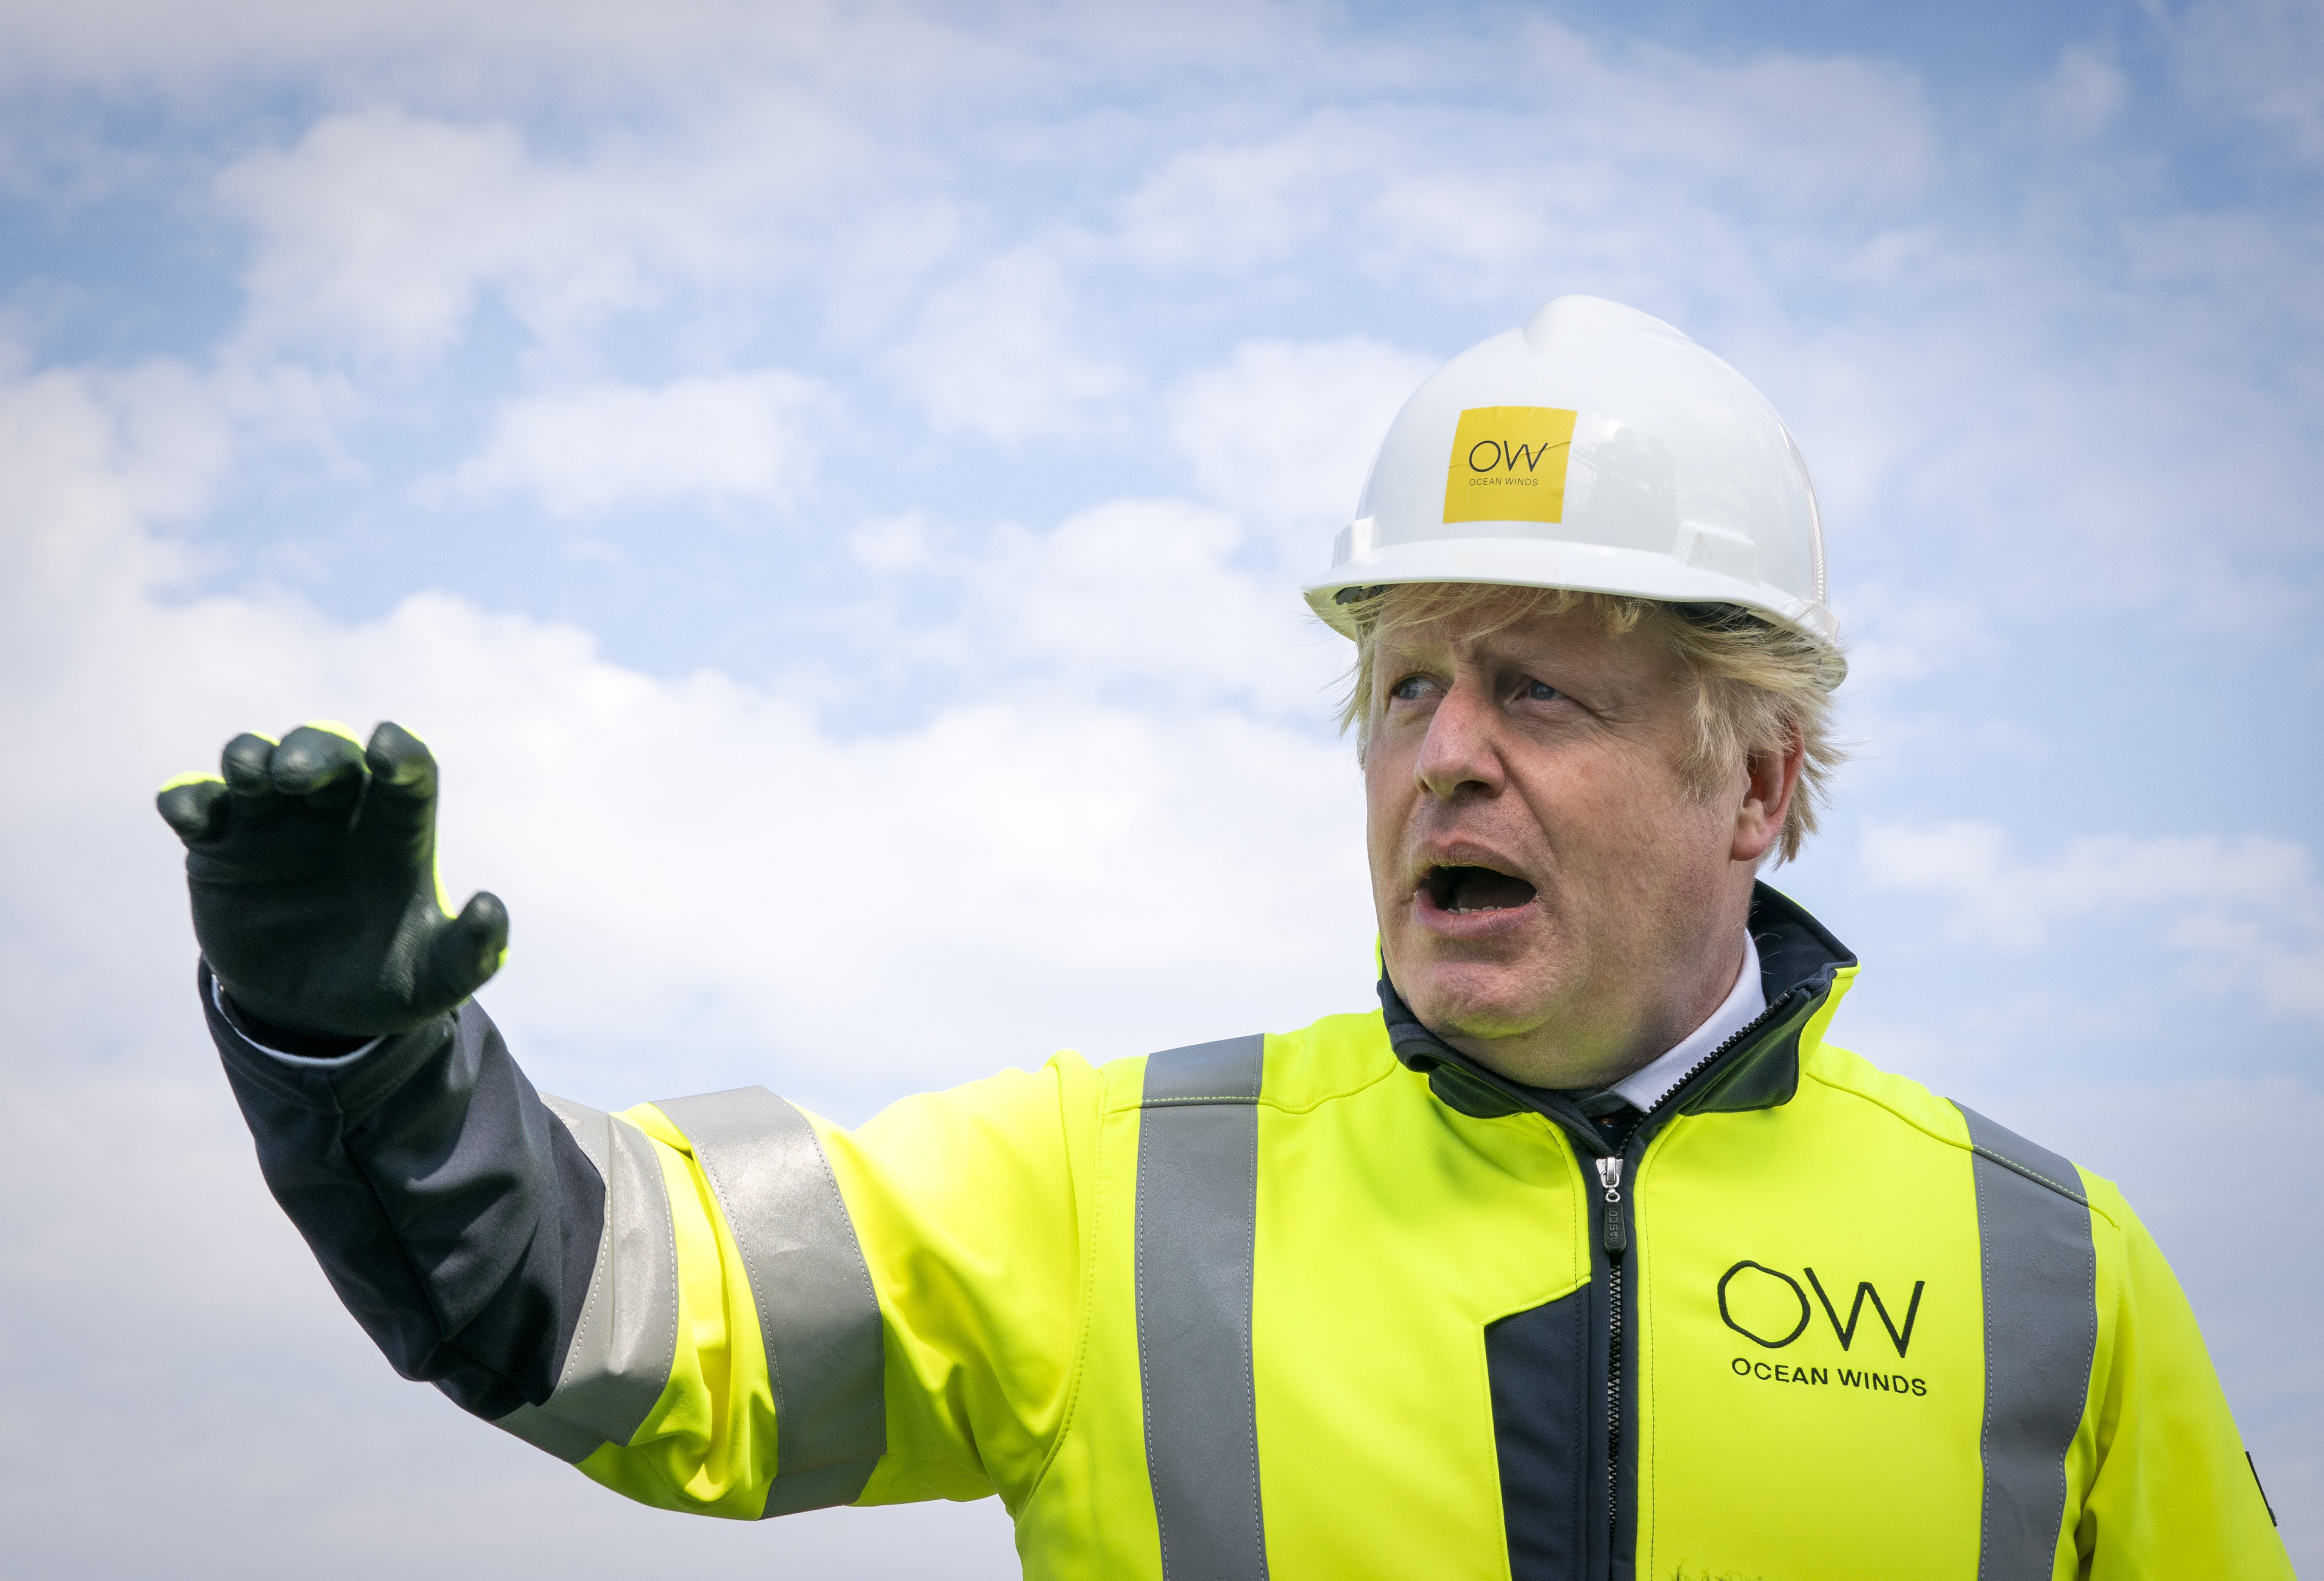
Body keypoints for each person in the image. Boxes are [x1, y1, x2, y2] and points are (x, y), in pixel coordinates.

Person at [157, 296, 2289, 1579]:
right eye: (1398, 689)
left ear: (1754, 783)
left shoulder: (2052, 1276)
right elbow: (615, 1307)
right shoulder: (1117, 1193)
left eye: (1535, 687)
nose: (1438, 756)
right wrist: (355, 1057)